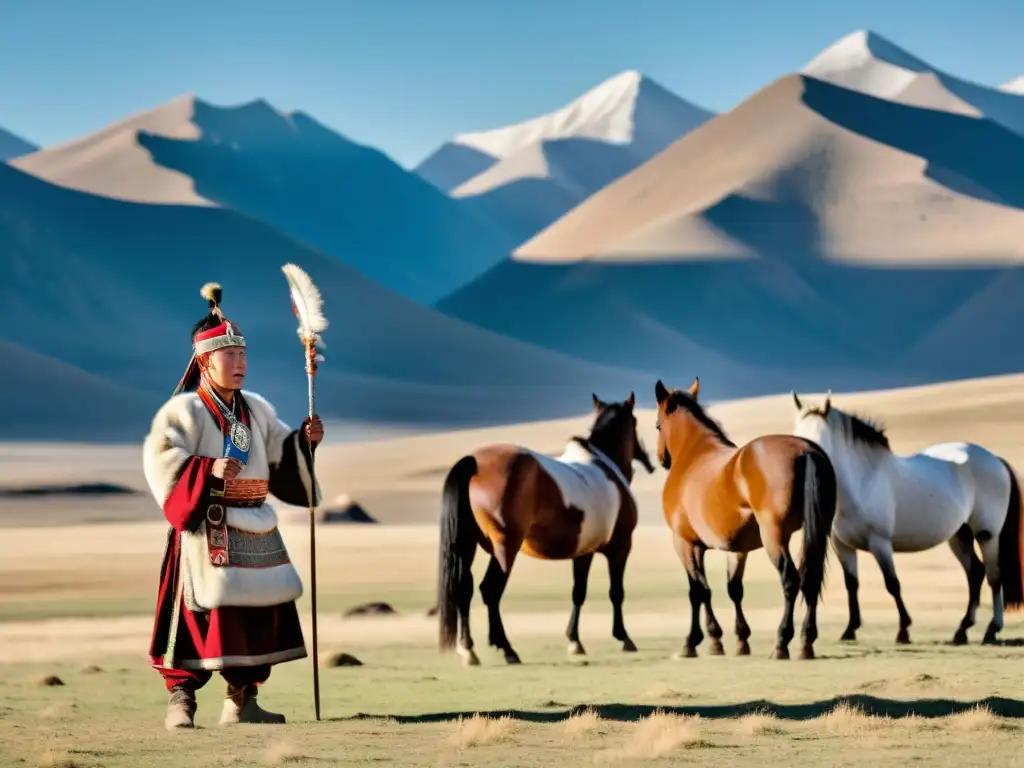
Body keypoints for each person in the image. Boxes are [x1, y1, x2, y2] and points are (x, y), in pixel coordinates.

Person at [142, 282, 324, 731]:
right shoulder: (183, 412)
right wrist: (205, 471)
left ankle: (243, 701)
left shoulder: (257, 410)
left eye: (243, 356)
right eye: (230, 356)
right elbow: (161, 459)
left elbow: (283, 455)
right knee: (197, 619)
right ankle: (181, 701)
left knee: (256, 616)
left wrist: (306, 441)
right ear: (205, 360)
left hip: (256, 529)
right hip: (207, 525)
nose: (240, 364)